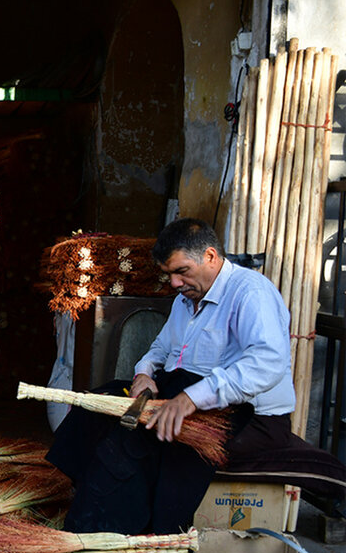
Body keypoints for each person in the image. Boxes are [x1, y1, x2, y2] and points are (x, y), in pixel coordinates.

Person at [47, 218, 346, 534]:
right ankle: (87, 506)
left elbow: (266, 363)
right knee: (96, 407)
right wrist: (144, 375)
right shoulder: (184, 300)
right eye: (170, 275)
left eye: (182, 271)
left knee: (139, 440)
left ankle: (136, 532)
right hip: (182, 393)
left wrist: (190, 399)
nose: (174, 283)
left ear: (211, 256)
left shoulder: (250, 293)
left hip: (249, 417)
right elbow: (159, 348)